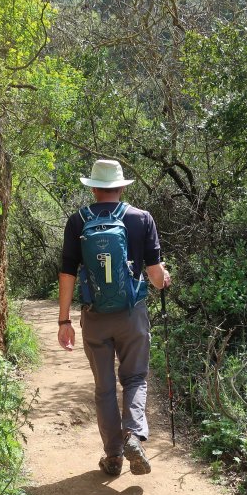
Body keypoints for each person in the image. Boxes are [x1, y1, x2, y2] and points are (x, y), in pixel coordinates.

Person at [57, 159, 171, 476]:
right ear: (121, 187)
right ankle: (133, 434)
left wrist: (64, 321)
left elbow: (67, 274)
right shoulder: (141, 219)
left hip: (95, 317)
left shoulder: (77, 221)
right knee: (134, 378)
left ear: (93, 188)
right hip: (132, 314)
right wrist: (165, 279)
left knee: (104, 388)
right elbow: (156, 277)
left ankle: (114, 456)